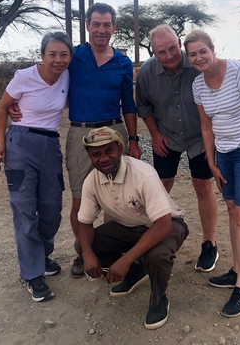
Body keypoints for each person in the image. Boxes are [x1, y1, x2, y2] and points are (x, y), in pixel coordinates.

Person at [9, 3, 142, 277]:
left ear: (114, 27)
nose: (101, 30)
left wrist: (134, 139)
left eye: (107, 24)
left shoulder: (123, 62)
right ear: (88, 26)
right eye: (96, 24)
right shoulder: (74, 56)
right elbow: (42, 72)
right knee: (81, 198)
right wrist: (13, 102)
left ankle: (107, 250)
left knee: (114, 196)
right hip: (81, 133)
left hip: (114, 131)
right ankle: (84, 252)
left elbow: (129, 104)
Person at [183, 29, 240, 318]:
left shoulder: (238, 72)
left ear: (213, 49)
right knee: (233, 209)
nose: (199, 58)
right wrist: (211, 161)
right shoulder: (198, 85)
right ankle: (236, 270)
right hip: (223, 152)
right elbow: (206, 126)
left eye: (202, 52)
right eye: (193, 54)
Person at [78, 126, 188, 330]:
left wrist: (126, 259)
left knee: (156, 255)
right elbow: (84, 223)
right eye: (96, 154)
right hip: (129, 226)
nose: (103, 159)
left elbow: (163, 225)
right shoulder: (91, 181)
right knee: (85, 244)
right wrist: (86, 253)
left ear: (120, 149)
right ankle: (135, 273)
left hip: (167, 224)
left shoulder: (143, 174)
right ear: (89, 156)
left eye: (108, 151)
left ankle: (158, 299)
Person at [0, 31, 73, 302]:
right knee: (25, 208)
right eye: (52, 54)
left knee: (51, 208)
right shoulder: (24, 77)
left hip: (50, 145)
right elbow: (3, 108)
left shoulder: (67, 77)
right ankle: (31, 275)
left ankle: (42, 255)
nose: (58, 60)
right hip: (21, 142)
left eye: (64, 54)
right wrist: (0, 144)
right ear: (42, 55)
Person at [135, 25, 219, 272]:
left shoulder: (198, 63)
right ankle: (152, 238)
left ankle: (209, 243)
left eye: (173, 48)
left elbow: (216, 97)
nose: (169, 55)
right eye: (161, 52)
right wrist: (154, 134)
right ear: (153, 52)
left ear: (180, 42)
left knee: (203, 185)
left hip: (199, 137)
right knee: (159, 187)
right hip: (166, 136)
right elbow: (144, 107)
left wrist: (212, 138)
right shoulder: (147, 73)